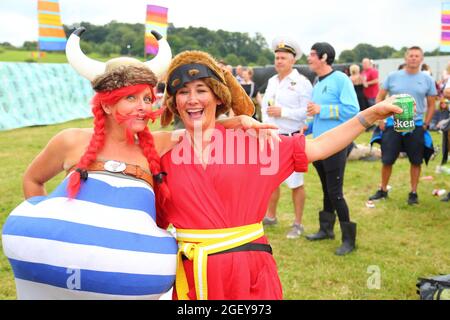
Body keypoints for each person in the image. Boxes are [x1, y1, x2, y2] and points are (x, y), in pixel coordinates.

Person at [158, 49, 402, 300]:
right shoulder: (163, 158)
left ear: (218, 98)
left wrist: (370, 114)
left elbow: (318, 147)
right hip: (193, 279)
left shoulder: (254, 143)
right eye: (183, 92)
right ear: (174, 102)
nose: (192, 99)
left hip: (249, 275)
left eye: (201, 90)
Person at [1, 28, 179, 299]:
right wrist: (52, 235)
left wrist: (240, 120)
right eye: (130, 98)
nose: (143, 106)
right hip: (62, 281)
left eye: (146, 98)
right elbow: (33, 180)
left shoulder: (160, 143)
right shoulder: (70, 140)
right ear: (107, 105)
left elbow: (204, 133)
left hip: (124, 279)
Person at [304, 42, 360, 256]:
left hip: (337, 144)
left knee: (335, 192)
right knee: (327, 189)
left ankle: (349, 239)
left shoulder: (341, 79)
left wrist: (322, 109)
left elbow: (352, 110)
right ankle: (326, 230)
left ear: (324, 57)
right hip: (320, 145)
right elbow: (319, 116)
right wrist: (306, 127)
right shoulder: (317, 83)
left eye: (312, 55)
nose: (308, 59)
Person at [368, 46, 437, 205]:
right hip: (393, 124)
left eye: (416, 56)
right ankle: (383, 190)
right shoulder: (393, 76)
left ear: (421, 59)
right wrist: (381, 120)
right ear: (405, 58)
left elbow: (432, 104)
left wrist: (426, 123)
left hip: (416, 125)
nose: (413, 58)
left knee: (416, 161)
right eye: (411, 55)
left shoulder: (427, 79)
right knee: (387, 160)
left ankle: (413, 192)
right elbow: (379, 97)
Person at [260, 36, 312, 240]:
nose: (279, 61)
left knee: (295, 184)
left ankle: (298, 223)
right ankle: (270, 216)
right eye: (277, 57)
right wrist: (265, 127)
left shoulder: (302, 83)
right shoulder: (272, 81)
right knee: (271, 182)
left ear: (293, 60)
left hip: (291, 139)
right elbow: (265, 108)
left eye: (283, 58)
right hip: (272, 137)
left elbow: (307, 114)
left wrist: (284, 112)